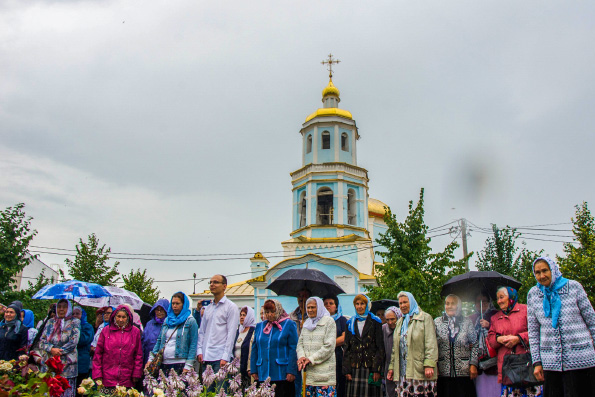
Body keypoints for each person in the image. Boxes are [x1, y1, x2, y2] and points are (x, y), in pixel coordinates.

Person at [528, 256, 595, 396]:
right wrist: (537, 362)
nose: (542, 275)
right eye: (537, 272)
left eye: (545, 270)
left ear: (553, 269)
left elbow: (592, 322)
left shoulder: (574, 287)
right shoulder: (533, 294)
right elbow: (533, 332)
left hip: (581, 360)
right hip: (550, 364)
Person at [488, 287, 542, 397]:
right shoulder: (495, 318)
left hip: (527, 367)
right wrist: (499, 339)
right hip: (507, 369)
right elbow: (491, 339)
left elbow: (538, 331)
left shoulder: (526, 311)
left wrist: (518, 338)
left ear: (511, 297)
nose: (499, 301)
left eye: (502, 297)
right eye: (497, 298)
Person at [387, 291, 438, 397]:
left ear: (412, 301)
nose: (402, 305)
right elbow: (395, 349)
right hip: (403, 372)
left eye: (405, 302)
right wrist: (392, 367)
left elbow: (431, 343)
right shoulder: (400, 322)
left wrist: (429, 364)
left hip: (419, 371)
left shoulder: (424, 318)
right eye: (400, 303)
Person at [251, 299, 298, 397]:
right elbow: (255, 348)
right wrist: (254, 370)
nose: (269, 315)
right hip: (263, 373)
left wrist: (291, 370)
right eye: (267, 312)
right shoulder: (260, 326)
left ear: (279, 311)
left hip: (282, 373)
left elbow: (293, 349)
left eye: (272, 312)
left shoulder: (289, 324)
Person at [434, 294, 478, 396]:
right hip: (443, 373)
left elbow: (475, 343)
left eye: (453, 303)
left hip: (464, 373)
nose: (449, 306)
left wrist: (473, 364)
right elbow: (432, 345)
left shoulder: (467, 322)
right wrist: (434, 365)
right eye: (447, 303)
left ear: (458, 306)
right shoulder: (437, 322)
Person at [36, 299, 81, 397]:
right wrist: (51, 349)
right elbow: (42, 341)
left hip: (67, 365)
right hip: (50, 363)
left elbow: (74, 341)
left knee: (65, 392)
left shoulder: (75, 322)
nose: (61, 309)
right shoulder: (50, 322)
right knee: (48, 391)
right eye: (59, 307)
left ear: (69, 308)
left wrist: (60, 351)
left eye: (64, 307)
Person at [197, 275, 239, 375]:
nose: (212, 285)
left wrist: (226, 356)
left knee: (220, 390)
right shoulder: (208, 308)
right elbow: (202, 331)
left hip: (220, 358)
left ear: (224, 286)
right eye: (210, 282)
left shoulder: (231, 307)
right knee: (207, 390)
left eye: (215, 282)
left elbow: (231, 334)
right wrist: (199, 351)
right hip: (206, 357)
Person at [343, 294, 384, 397]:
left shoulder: (375, 322)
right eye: (357, 304)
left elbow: (380, 347)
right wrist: (347, 370)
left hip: (370, 367)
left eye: (362, 304)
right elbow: (346, 347)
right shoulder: (350, 323)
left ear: (367, 305)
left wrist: (377, 369)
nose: (359, 306)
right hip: (354, 367)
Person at [92, 305, 143, 389]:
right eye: (118, 316)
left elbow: (138, 355)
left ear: (128, 318)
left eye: (124, 317)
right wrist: (97, 374)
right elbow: (98, 354)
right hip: (107, 378)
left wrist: (136, 373)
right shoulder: (105, 331)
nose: (121, 319)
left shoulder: (135, 332)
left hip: (127, 379)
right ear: (114, 316)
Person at [147, 292, 198, 374]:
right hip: (164, 362)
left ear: (183, 304)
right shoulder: (167, 321)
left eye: (177, 303)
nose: (174, 306)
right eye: (173, 303)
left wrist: (188, 365)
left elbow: (193, 344)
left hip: (181, 362)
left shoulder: (190, 321)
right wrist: (151, 358)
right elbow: (160, 340)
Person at [297, 297, 337, 397]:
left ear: (319, 307)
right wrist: (301, 357)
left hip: (324, 378)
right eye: (308, 307)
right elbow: (300, 344)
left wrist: (311, 359)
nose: (310, 310)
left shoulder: (329, 322)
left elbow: (329, 346)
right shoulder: (306, 323)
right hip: (308, 376)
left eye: (313, 307)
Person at [468, 291, 500, 397]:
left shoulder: (497, 315)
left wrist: (489, 326)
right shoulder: (471, 319)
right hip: (478, 365)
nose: (481, 304)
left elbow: (503, 332)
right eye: (478, 301)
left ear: (489, 301)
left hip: (494, 365)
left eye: (484, 301)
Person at [323, 295, 348, 397]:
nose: (328, 306)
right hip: (324, 358)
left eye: (331, 303)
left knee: (339, 384)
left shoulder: (342, 320)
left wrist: (328, 345)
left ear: (336, 306)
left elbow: (343, 338)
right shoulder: (320, 321)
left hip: (338, 357)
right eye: (325, 304)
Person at [141, 298, 169, 366]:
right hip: (149, 359)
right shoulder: (149, 324)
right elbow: (143, 341)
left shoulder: (170, 324)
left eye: (161, 309)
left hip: (165, 359)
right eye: (157, 309)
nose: (159, 312)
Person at [382, 306, 402, 397]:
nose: (390, 322)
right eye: (387, 320)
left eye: (393, 319)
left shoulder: (403, 328)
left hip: (402, 366)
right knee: (390, 392)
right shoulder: (383, 329)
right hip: (388, 366)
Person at [234, 306, 256, 389]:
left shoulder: (253, 331)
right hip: (236, 370)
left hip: (246, 370)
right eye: (241, 315)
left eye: (244, 315)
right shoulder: (238, 331)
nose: (242, 317)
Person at [72, 306, 94, 387]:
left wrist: (76, 330)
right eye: (73, 314)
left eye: (77, 314)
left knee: (80, 387)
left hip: (81, 361)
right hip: (70, 362)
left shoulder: (87, 327)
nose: (75, 315)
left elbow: (82, 340)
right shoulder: (68, 326)